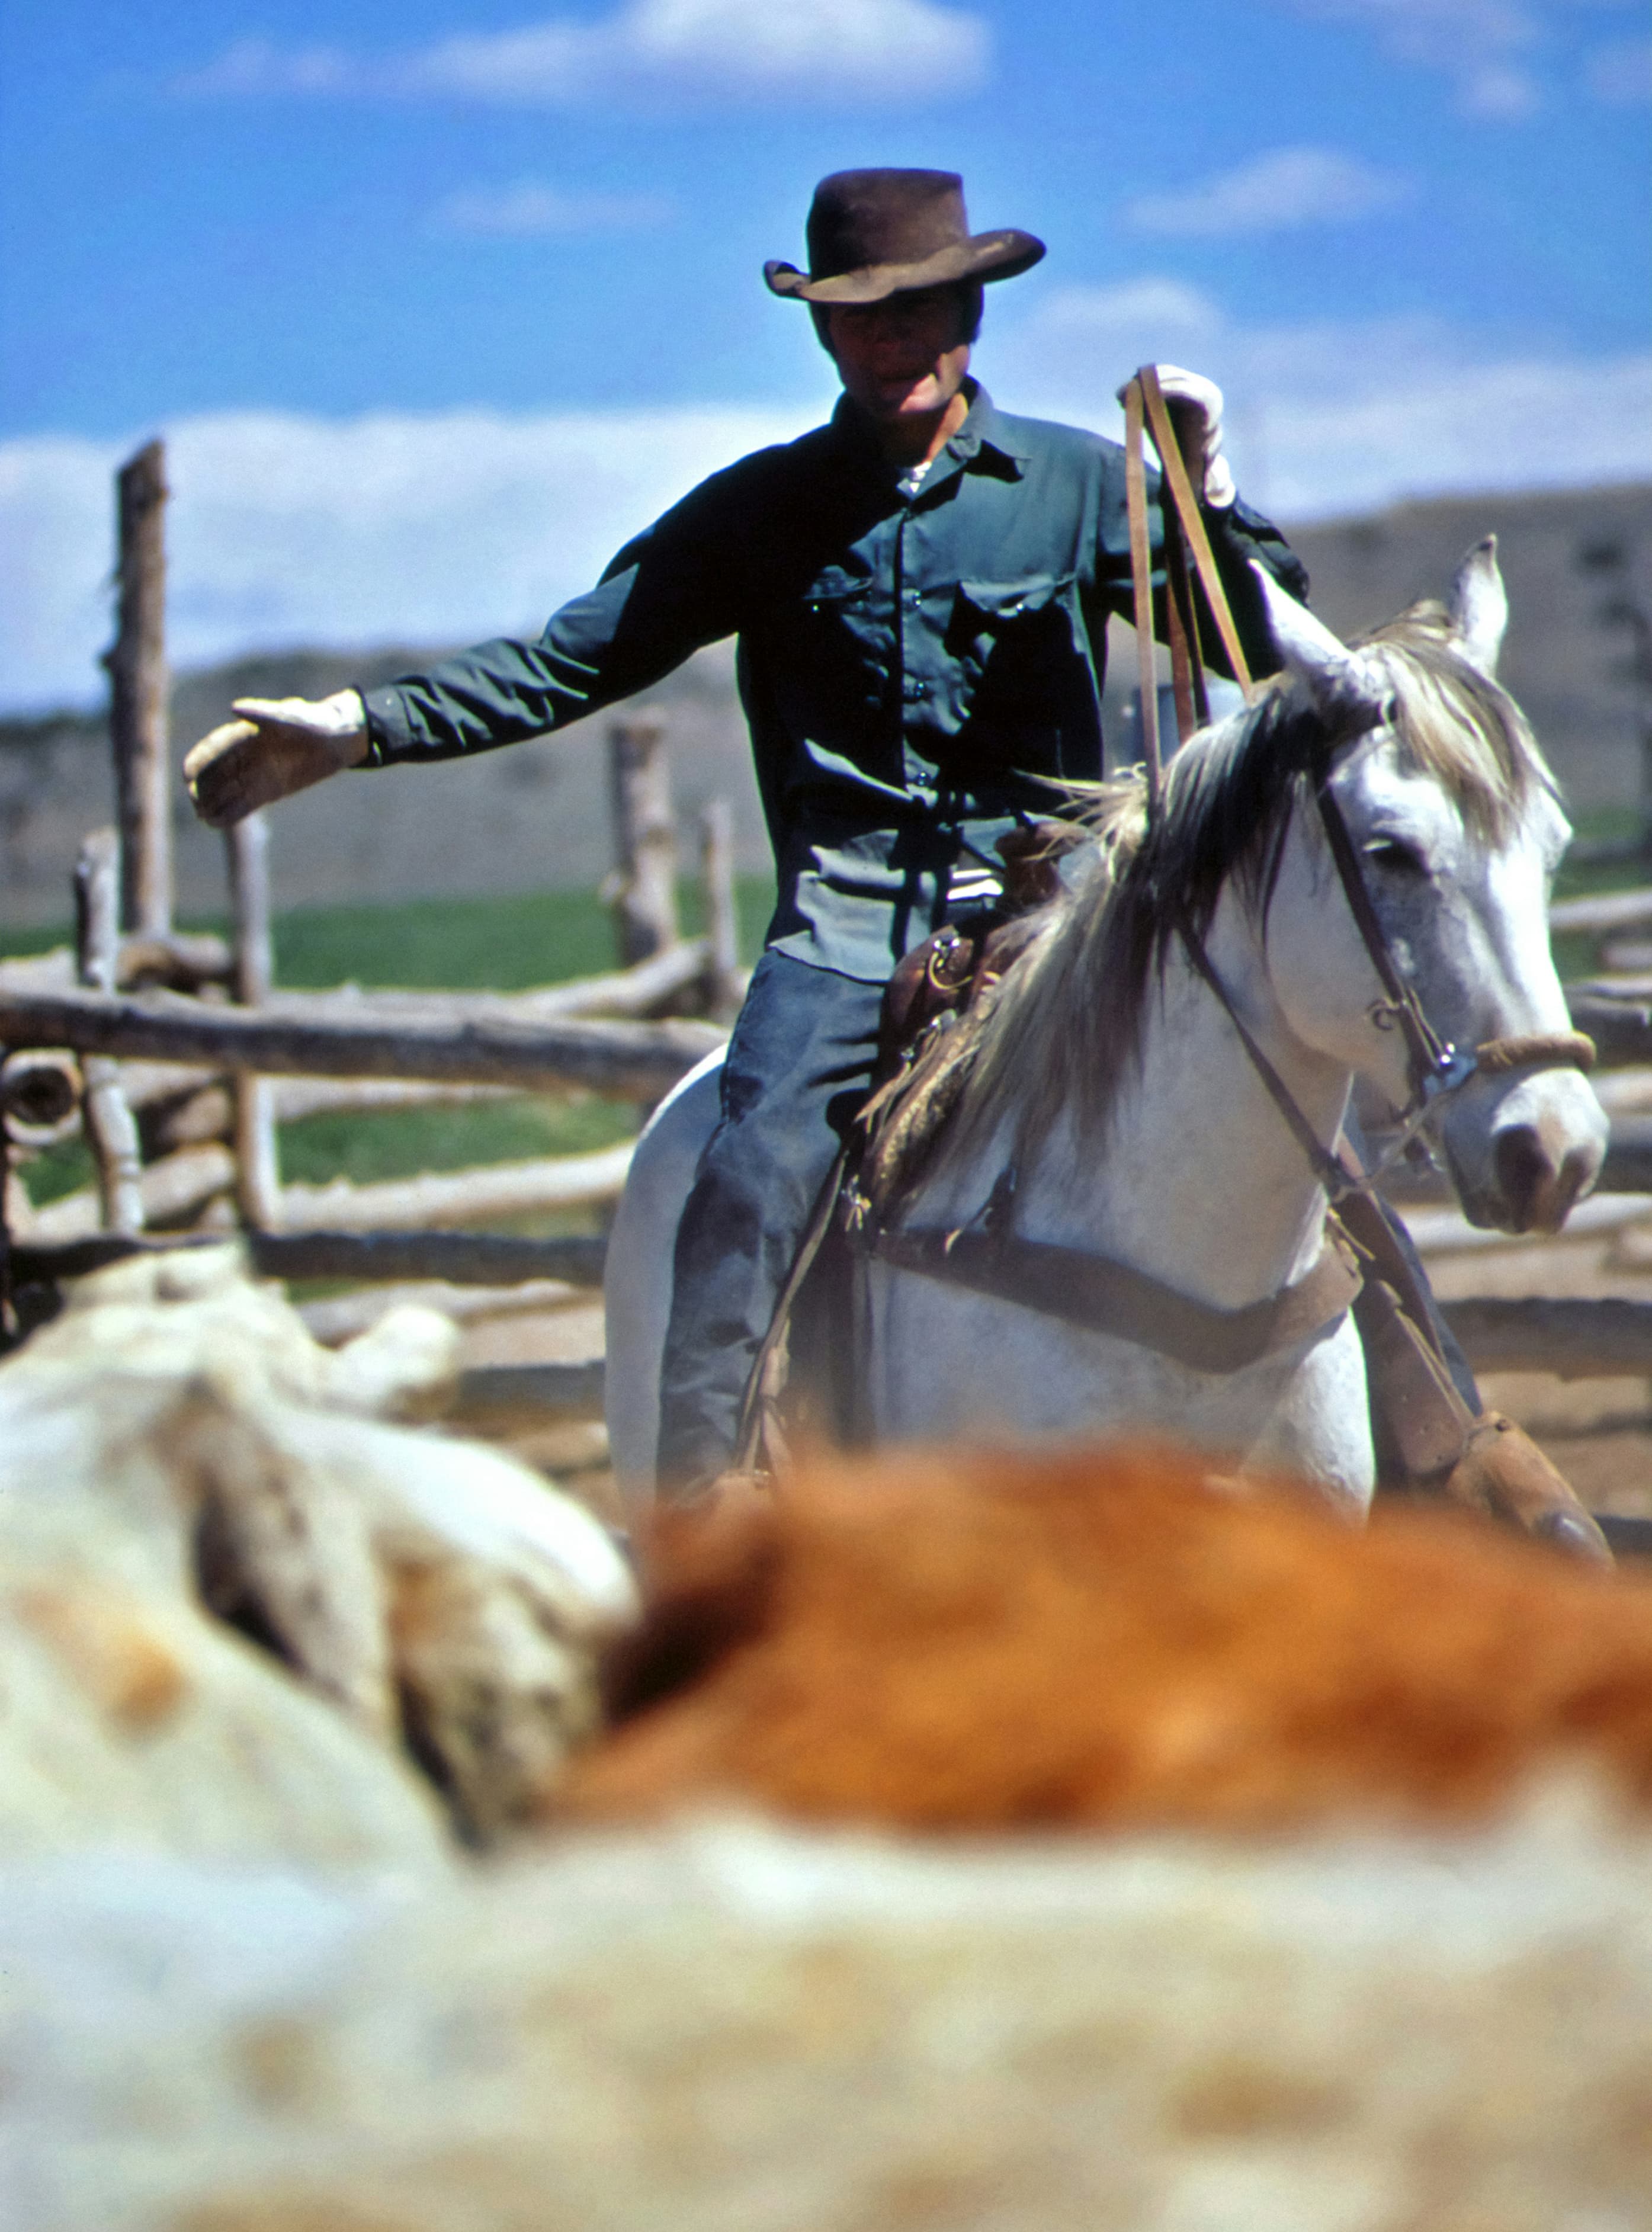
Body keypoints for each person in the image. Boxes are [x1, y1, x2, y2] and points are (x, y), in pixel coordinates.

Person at [185, 168, 1314, 1496]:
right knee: (747, 1180)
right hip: (849, 927)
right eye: (857, 317)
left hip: (1065, 908)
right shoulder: (761, 511)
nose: (889, 341)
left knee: (1289, 1095)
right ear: (823, 333)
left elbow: (1258, 642)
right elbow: (568, 659)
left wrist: (1210, 483)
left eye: (917, 311)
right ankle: (704, 1518)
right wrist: (360, 727)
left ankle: (1442, 1439)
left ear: (971, 313)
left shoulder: (1081, 488)